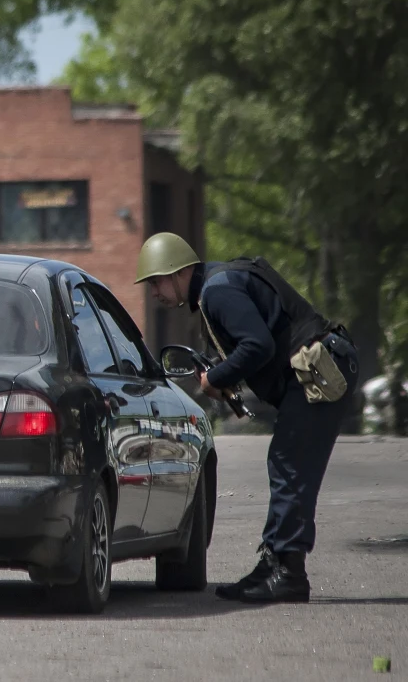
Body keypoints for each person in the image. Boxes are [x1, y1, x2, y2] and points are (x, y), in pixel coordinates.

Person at [135, 232, 360, 604]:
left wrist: (216, 378)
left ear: (180, 273)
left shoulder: (216, 291)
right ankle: (273, 565)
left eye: (156, 281)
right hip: (317, 370)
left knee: (290, 466)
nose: (154, 293)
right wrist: (224, 372)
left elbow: (258, 345)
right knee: (285, 463)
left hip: (320, 371)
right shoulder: (218, 284)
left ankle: (288, 573)